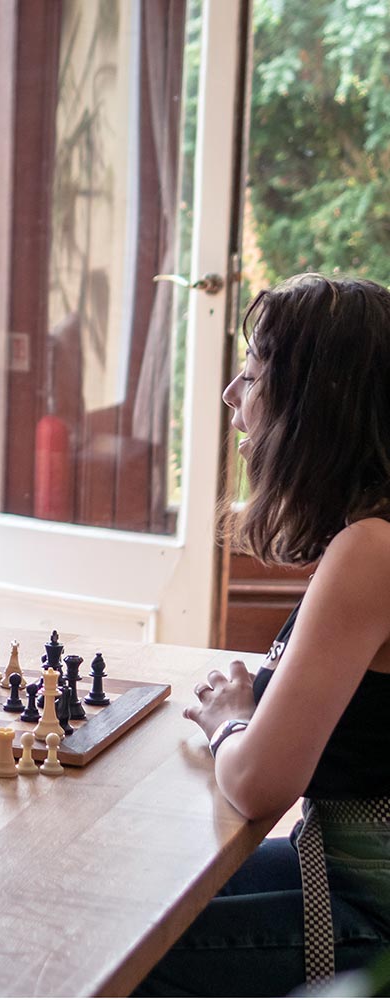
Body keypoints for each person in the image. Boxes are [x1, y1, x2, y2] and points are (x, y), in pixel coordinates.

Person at [136, 274, 390, 996]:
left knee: (92, 960)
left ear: (317, 407)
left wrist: (231, 721)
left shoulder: (371, 551)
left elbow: (259, 783)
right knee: (137, 892)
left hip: (372, 914)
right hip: (349, 878)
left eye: (249, 374)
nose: (230, 395)